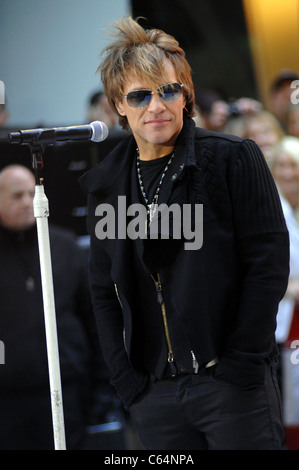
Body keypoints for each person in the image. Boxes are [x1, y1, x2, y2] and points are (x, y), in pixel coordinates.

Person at [80, 16, 289, 450]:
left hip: (231, 384)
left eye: (167, 91)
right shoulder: (107, 184)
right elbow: (103, 291)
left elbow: (267, 263)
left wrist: (242, 362)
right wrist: (128, 380)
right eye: (139, 95)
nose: (156, 105)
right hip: (154, 395)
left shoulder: (233, 157)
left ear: (185, 95)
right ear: (119, 105)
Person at [0, 164, 126, 450]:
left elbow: (94, 319)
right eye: (15, 195)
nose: (25, 202)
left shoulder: (65, 247)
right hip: (8, 399)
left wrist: (104, 386)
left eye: (31, 194)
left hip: (67, 390)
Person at [268, 137, 299, 450]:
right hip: (284, 322)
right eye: (281, 166)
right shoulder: (270, 209)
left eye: (294, 165)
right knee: (290, 405)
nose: (288, 173)